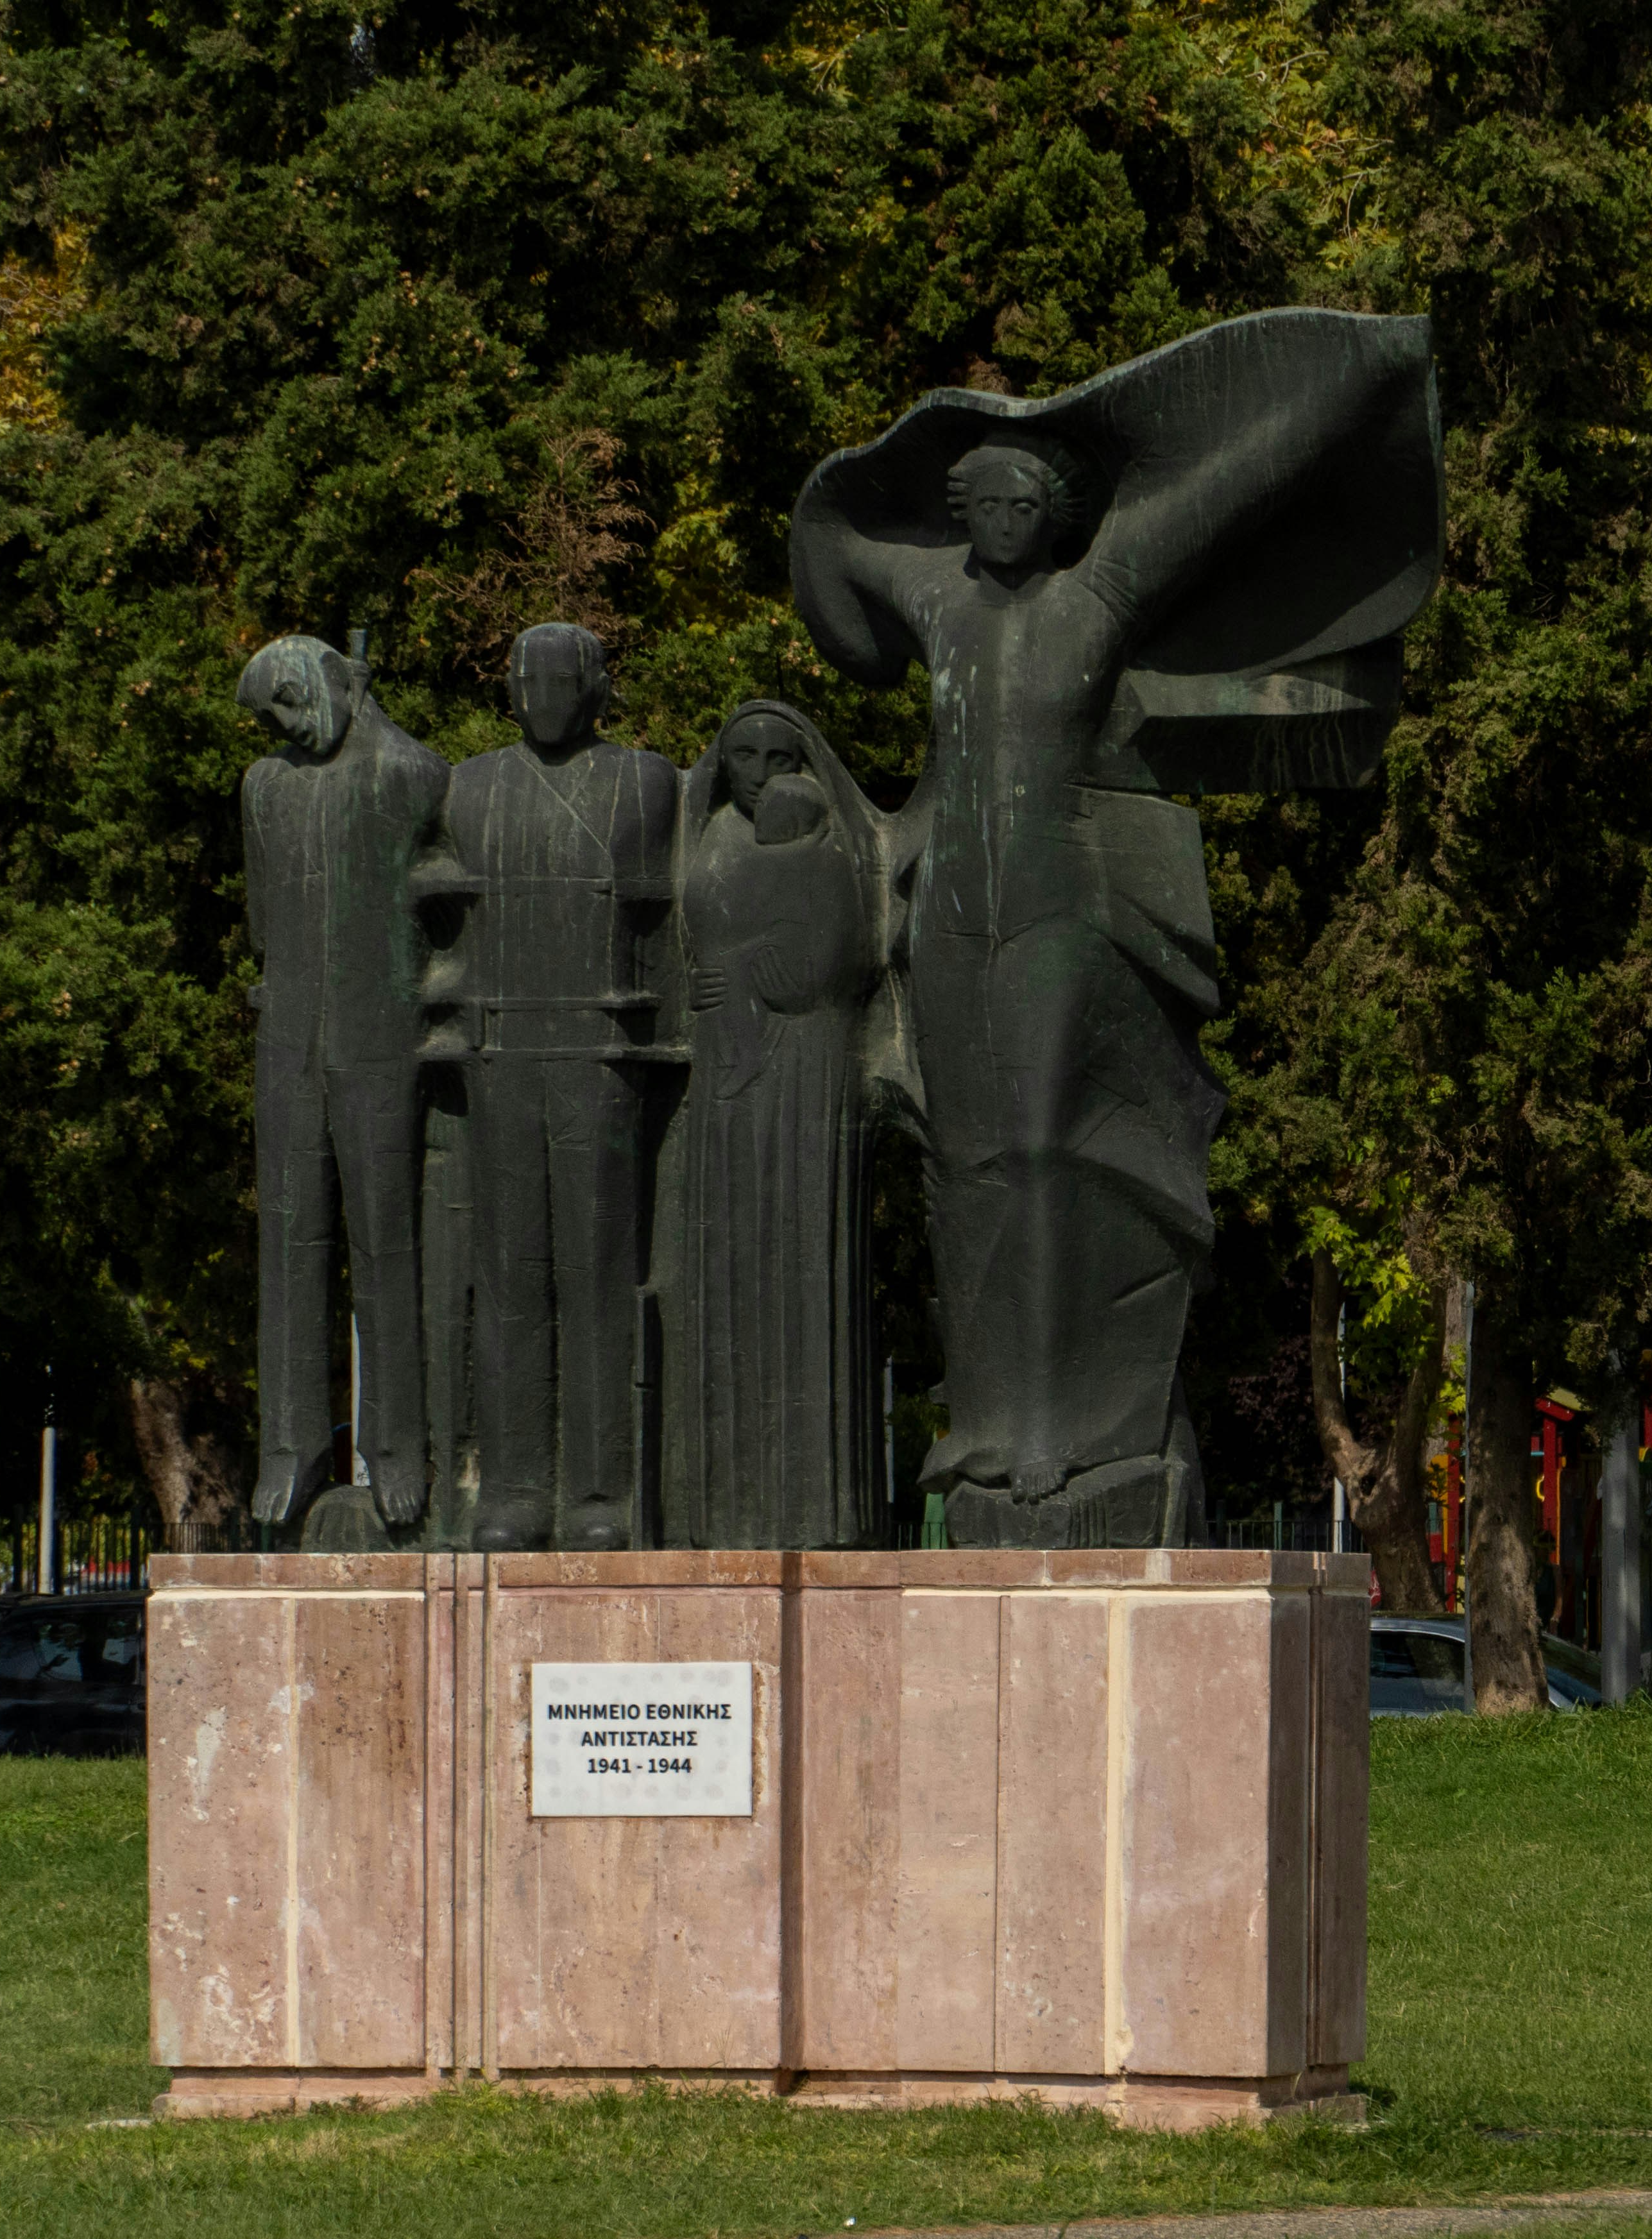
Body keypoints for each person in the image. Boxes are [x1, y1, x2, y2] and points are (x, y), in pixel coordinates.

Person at [788, 309, 1440, 1544]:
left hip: (1060, 916)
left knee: (1043, 1157)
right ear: (966, 511)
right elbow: (841, 547)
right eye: (987, 500)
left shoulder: (1102, 592)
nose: (1007, 520)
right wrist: (829, 519)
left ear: (1060, 515)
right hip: (950, 923)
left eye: (1031, 501)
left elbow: (1233, 491)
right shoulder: (937, 603)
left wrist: (1359, 385)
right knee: (961, 1167)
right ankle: (983, 1423)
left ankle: (1061, 1430)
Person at [437, 624, 680, 1548]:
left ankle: (599, 1493)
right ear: (509, 685)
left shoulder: (645, 782)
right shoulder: (471, 785)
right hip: (501, 1056)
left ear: (597, 688)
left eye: (561, 678)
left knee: (598, 1276)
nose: (543, 693)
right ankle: (514, 1490)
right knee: (510, 1280)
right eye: (527, 676)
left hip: (600, 1054)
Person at [654, 701, 901, 1549]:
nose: (759, 770)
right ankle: (713, 1505)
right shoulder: (710, 837)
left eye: (777, 753)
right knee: (721, 1270)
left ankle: (814, 1505)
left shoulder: (828, 847)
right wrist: (707, 986)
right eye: (742, 755)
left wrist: (741, 970)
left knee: (802, 1268)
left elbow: (829, 961)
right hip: (725, 1082)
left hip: (801, 1076)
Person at [236, 635, 449, 1542]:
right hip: (288, 1031)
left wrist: (370, 705)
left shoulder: (407, 775)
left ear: (331, 680)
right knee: (288, 1240)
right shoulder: (264, 788)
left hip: (379, 1033)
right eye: (269, 715)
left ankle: (396, 1445)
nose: (285, 724)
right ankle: (289, 1449)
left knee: (386, 1239)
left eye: (291, 698)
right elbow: (259, 922)